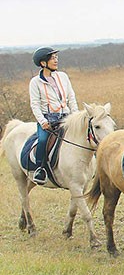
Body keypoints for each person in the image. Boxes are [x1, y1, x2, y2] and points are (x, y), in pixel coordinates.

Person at [29, 47, 79, 185]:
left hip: (66, 116)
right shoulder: (35, 82)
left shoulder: (63, 76)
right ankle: (41, 169)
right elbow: (35, 104)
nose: (56, 60)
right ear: (43, 63)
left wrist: (75, 115)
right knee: (43, 140)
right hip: (48, 119)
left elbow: (71, 97)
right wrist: (42, 121)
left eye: (56, 57)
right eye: (52, 58)